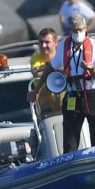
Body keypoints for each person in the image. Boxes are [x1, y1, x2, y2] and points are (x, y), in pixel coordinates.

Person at [58, 13, 95, 152]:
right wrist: (36, 89)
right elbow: (52, 66)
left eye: (80, 29)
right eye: (74, 30)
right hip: (73, 94)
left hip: (94, 94)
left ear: (86, 28)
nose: (78, 33)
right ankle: (69, 165)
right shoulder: (63, 45)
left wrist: (91, 68)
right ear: (69, 30)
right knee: (70, 140)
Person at [27, 27, 66, 158]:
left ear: (56, 42)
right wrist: (53, 67)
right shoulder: (36, 58)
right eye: (41, 42)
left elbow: (66, 67)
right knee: (45, 130)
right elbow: (36, 72)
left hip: (64, 98)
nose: (43, 46)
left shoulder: (62, 54)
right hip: (45, 101)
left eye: (47, 42)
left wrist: (47, 68)